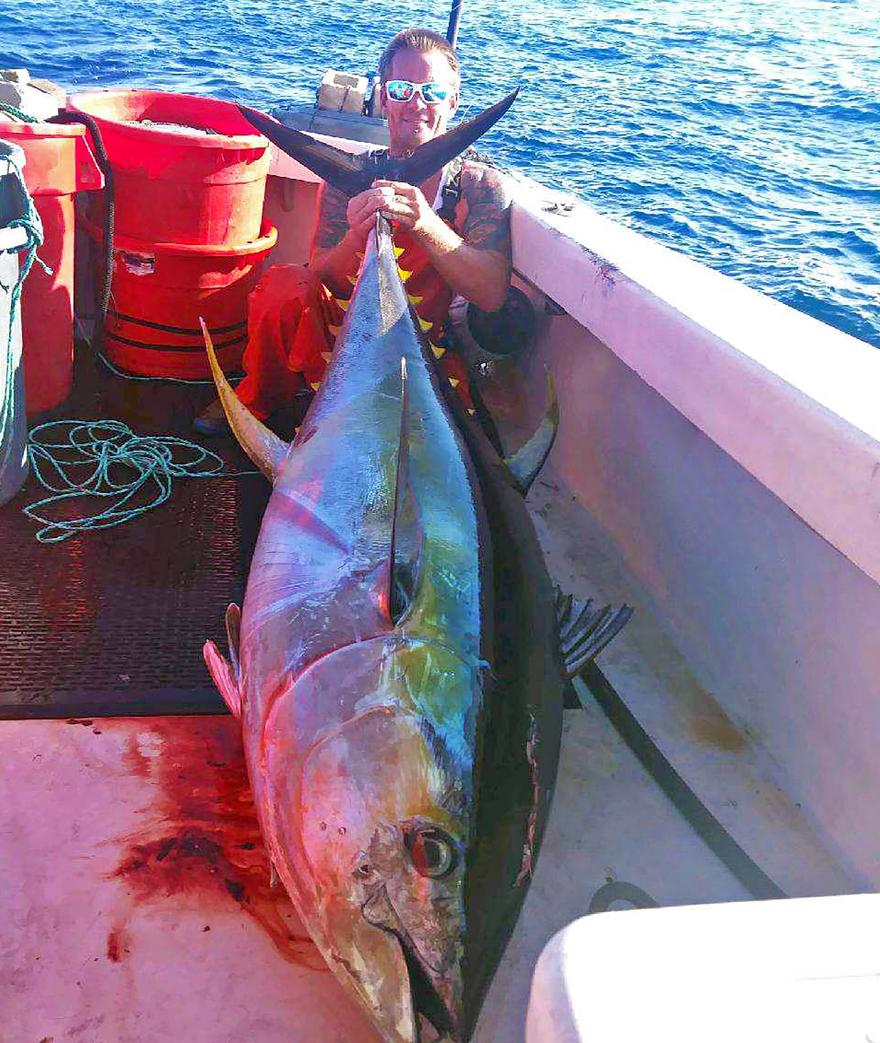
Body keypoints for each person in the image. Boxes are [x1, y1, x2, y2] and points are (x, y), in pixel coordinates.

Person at [194, 27, 512, 434]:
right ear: (383, 98)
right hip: (341, 331)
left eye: (431, 93)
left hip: (424, 352)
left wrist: (426, 223)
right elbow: (323, 276)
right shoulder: (350, 180)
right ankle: (257, 399)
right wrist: (356, 234)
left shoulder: (476, 186)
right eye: (401, 90)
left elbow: (491, 294)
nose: (416, 104)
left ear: (452, 102)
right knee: (284, 285)